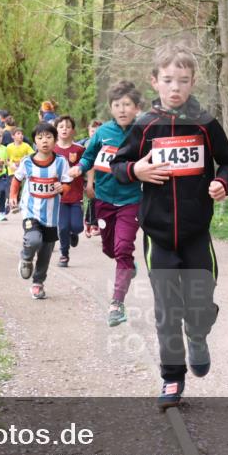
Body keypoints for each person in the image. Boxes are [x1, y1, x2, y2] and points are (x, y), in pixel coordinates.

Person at [110, 44, 228, 409]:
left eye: (183, 81)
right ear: (155, 81)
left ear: (193, 81)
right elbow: (120, 167)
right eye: (168, 80)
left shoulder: (205, 123)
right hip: (158, 235)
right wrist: (136, 169)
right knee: (167, 309)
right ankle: (171, 378)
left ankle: (198, 333)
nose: (175, 88)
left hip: (197, 233)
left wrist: (222, 183)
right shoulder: (143, 125)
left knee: (198, 305)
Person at [71, 81, 142, 326]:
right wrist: (79, 168)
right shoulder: (103, 133)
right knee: (110, 249)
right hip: (103, 199)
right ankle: (127, 265)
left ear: (136, 108)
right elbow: (89, 156)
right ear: (111, 108)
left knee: (123, 248)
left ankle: (116, 304)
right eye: (117, 105)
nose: (122, 110)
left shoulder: (143, 133)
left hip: (131, 200)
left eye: (127, 105)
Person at [9, 121, 73, 300]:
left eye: (48, 137)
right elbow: (17, 178)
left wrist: (63, 188)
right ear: (34, 142)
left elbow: (68, 183)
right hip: (30, 210)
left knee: (46, 251)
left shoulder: (61, 162)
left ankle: (38, 283)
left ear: (55, 140)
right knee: (33, 239)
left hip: (52, 216)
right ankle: (26, 257)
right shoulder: (27, 162)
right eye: (40, 137)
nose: (44, 141)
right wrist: (13, 195)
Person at [53, 115, 85, 267]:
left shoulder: (79, 149)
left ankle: (74, 234)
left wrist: (90, 184)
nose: (64, 129)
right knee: (63, 227)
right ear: (56, 129)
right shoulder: (52, 149)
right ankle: (64, 254)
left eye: (67, 126)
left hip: (76, 193)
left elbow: (89, 167)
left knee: (77, 226)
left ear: (73, 130)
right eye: (61, 126)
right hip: (58, 195)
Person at [80, 119, 102, 237]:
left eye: (97, 131)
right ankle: (91, 223)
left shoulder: (105, 143)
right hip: (89, 178)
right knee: (93, 199)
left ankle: (94, 222)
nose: (94, 133)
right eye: (92, 131)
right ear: (88, 131)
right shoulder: (87, 144)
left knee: (99, 200)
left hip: (101, 178)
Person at [5, 127, 35, 212]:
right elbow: (6, 160)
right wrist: (11, 165)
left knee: (20, 187)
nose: (21, 135)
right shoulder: (9, 147)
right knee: (12, 185)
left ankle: (15, 202)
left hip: (23, 171)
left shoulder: (26, 146)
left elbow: (33, 154)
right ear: (13, 136)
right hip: (12, 170)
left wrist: (25, 157)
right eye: (18, 134)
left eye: (22, 134)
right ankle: (10, 201)